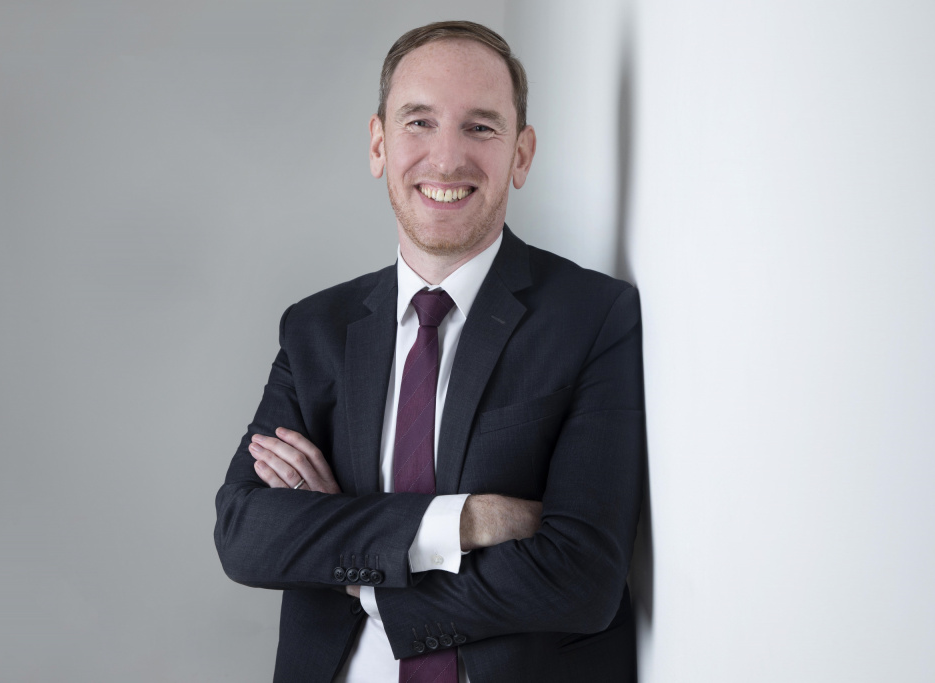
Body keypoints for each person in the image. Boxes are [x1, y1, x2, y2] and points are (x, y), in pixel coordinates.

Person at [214, 20, 644, 683]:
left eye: (481, 127)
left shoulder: (593, 318)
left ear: (521, 155)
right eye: (419, 123)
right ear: (379, 144)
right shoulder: (316, 329)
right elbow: (247, 533)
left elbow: (581, 577)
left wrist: (355, 563)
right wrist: (463, 519)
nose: (446, 160)